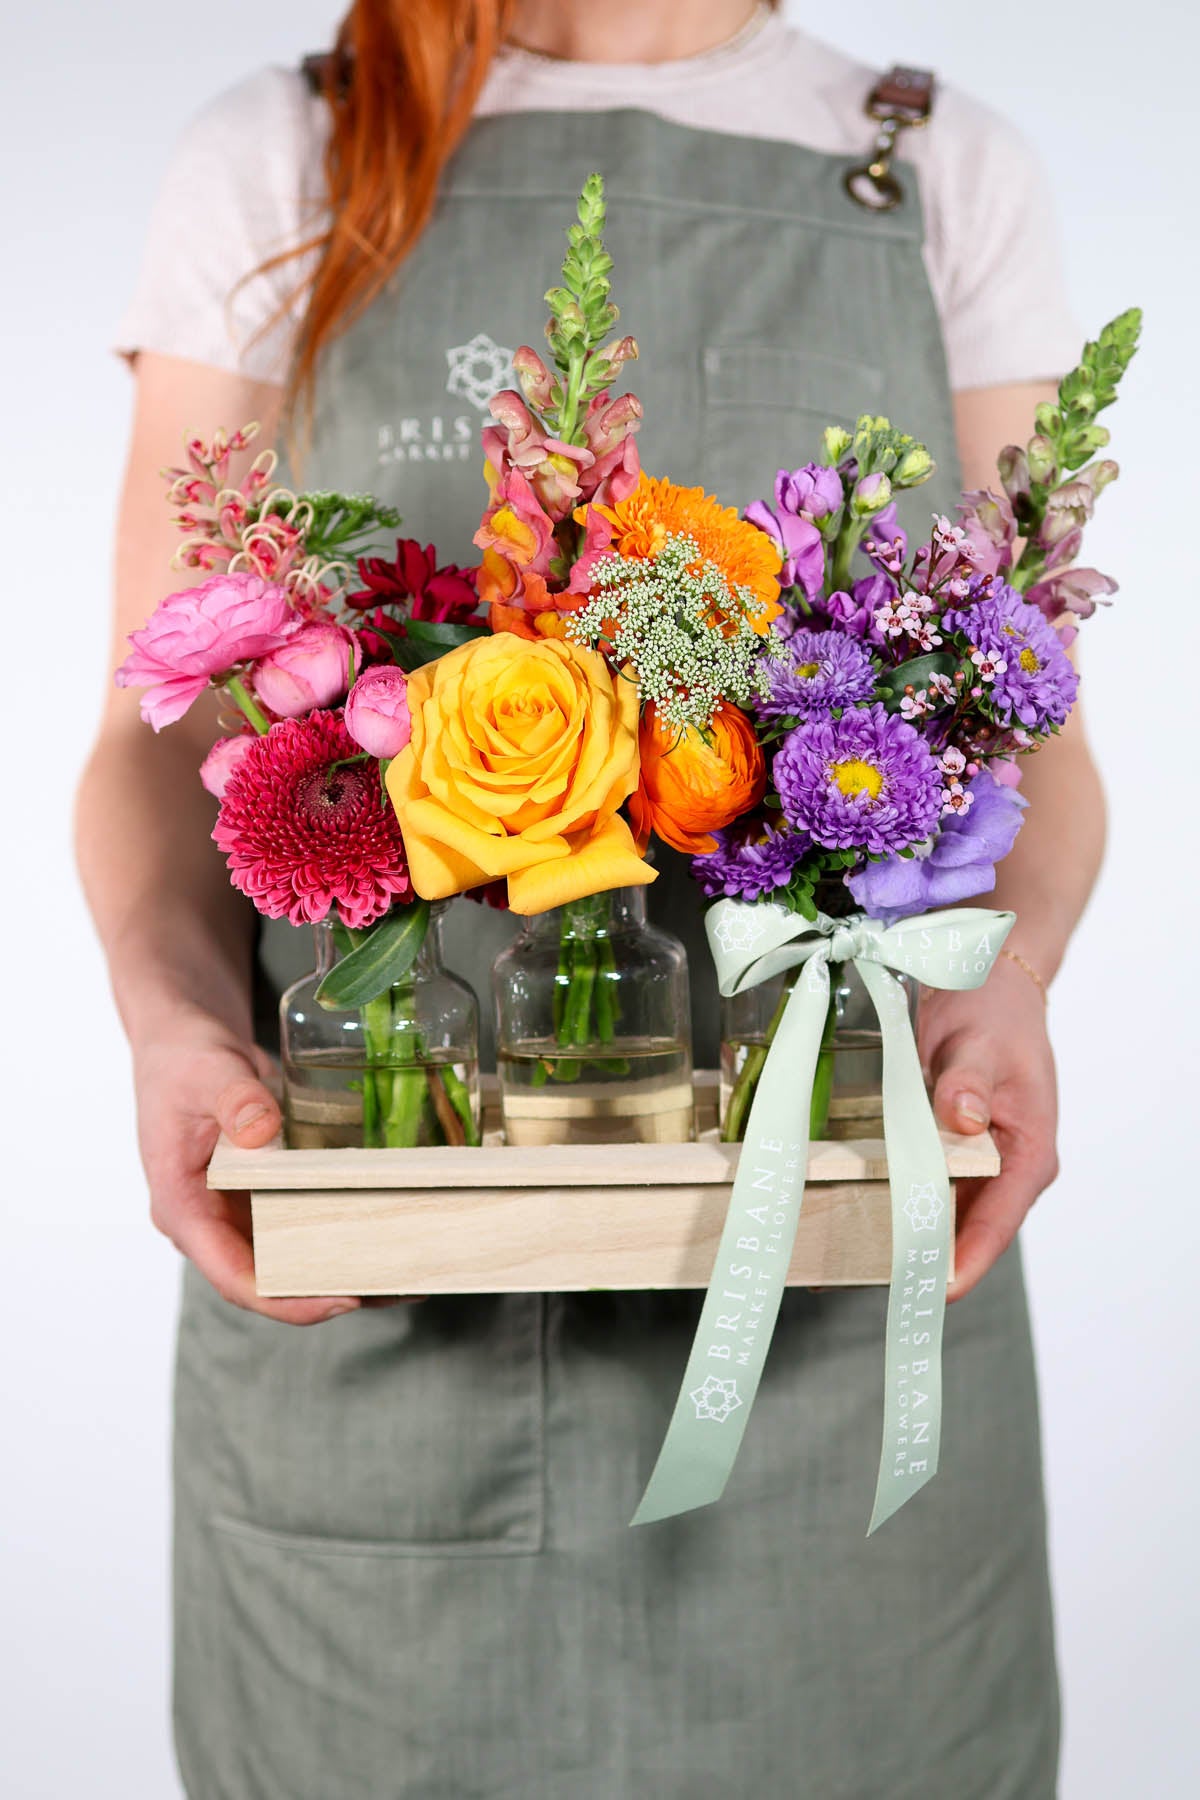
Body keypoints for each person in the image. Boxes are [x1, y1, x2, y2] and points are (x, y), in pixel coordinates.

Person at [78, 3, 1101, 1794]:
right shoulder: (288, 153)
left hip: (839, 1313)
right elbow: (153, 735)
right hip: (381, 1316)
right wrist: (174, 1028)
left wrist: (1004, 991)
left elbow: (1038, 730)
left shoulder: (927, 160)